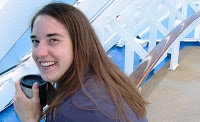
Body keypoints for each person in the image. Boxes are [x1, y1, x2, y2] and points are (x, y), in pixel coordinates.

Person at [14, 2, 148, 122]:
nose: (39, 52)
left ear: (78, 44)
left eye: (53, 40)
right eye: (35, 41)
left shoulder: (66, 114)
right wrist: (57, 98)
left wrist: (30, 119)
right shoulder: (108, 76)